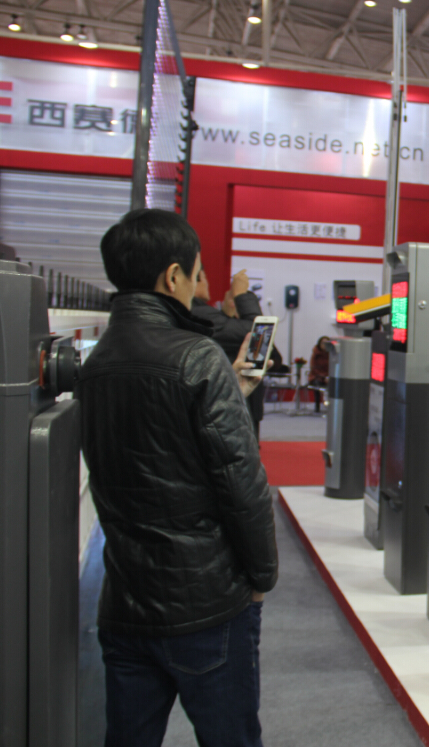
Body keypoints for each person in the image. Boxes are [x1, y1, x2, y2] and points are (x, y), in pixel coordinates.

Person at [75, 209, 278, 747]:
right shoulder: (197, 358)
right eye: (195, 273)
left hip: (125, 600)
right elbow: (243, 485)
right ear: (172, 277)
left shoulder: (93, 363)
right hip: (205, 601)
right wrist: (262, 577)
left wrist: (228, 389)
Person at [192, 266, 269, 439]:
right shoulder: (198, 312)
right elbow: (260, 333)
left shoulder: (207, 316)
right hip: (226, 402)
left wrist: (227, 316)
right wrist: (242, 295)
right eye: (204, 278)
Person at [308, 335, 332, 412]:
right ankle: (317, 406)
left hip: (329, 376)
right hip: (316, 376)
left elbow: (333, 367)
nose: (324, 345)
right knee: (317, 383)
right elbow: (314, 368)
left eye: (326, 343)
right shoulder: (316, 354)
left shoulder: (331, 354)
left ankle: (332, 406)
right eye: (323, 343)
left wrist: (328, 377)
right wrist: (323, 377)